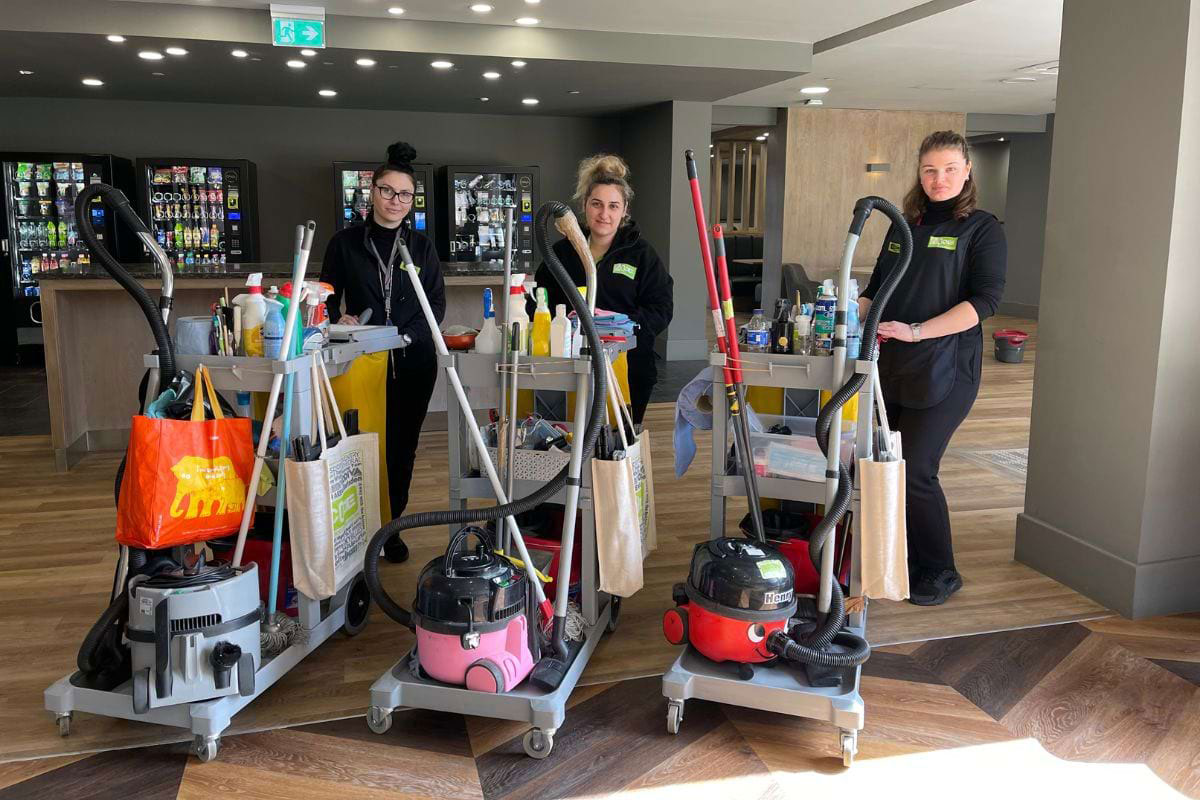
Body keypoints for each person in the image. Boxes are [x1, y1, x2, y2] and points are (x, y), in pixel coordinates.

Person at [860, 130, 1006, 606]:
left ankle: (941, 570)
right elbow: (878, 287)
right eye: (929, 170)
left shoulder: (982, 228)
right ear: (919, 174)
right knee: (889, 466)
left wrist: (919, 330)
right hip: (893, 363)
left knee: (918, 468)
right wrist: (845, 309)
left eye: (948, 168)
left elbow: (985, 301)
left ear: (967, 171)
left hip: (947, 366)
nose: (938, 178)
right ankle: (904, 557)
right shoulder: (904, 224)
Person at [319, 141, 445, 564]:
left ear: (413, 201)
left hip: (413, 364)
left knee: (402, 447)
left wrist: (404, 337)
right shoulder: (345, 243)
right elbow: (323, 299)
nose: (396, 201)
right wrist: (343, 319)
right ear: (372, 192)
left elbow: (436, 306)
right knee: (361, 446)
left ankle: (391, 526)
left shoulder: (422, 247)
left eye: (405, 194)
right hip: (361, 364)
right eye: (388, 191)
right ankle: (360, 527)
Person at [534, 154, 673, 425]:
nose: (604, 214)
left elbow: (661, 307)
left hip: (628, 365)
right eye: (596, 204)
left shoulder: (641, 255)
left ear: (624, 210)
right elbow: (539, 300)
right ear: (584, 205)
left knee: (618, 446)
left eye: (613, 206)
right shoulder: (561, 254)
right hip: (569, 365)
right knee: (570, 440)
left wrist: (622, 328)